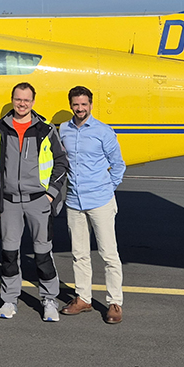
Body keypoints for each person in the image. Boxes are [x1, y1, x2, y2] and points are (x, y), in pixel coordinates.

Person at [0, 82, 68, 322]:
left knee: (43, 253)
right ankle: (9, 300)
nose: (22, 104)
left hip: (38, 200)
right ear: (12, 100)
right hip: (8, 201)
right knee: (9, 253)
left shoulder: (45, 129)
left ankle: (49, 299)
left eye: (27, 100)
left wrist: (50, 194)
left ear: (33, 102)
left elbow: (61, 163)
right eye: (18, 99)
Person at [58, 85, 126, 324]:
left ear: (91, 105)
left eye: (84, 104)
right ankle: (83, 298)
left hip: (100, 201)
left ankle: (114, 302)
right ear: (71, 105)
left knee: (109, 254)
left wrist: (108, 188)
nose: (80, 108)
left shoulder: (103, 131)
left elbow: (118, 164)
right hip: (75, 200)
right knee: (79, 254)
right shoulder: (63, 129)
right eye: (76, 104)